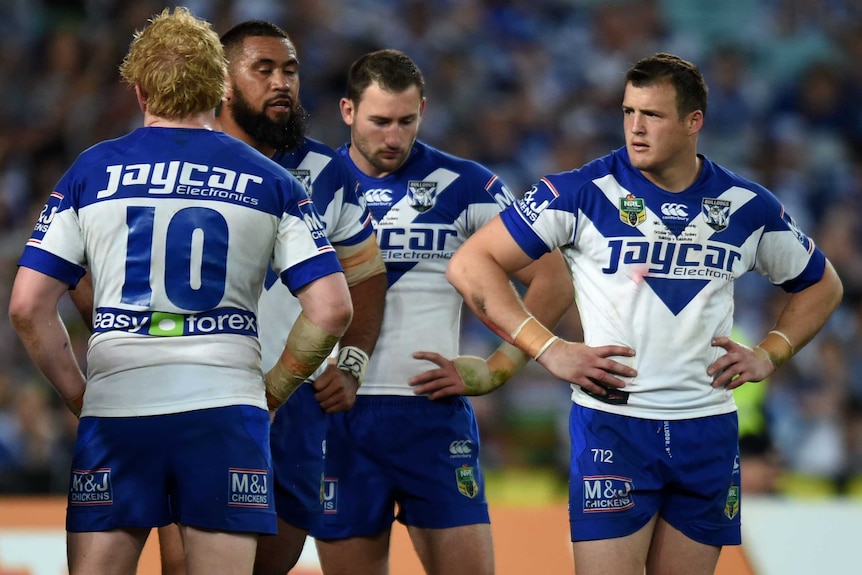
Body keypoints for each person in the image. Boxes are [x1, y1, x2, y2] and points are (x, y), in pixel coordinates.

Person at [444, 52, 844, 575]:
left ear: (693, 121)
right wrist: (549, 349)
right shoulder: (581, 191)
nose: (635, 127)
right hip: (615, 425)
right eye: (628, 112)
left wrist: (772, 352)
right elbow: (472, 263)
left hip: (708, 428)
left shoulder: (747, 206)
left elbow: (823, 284)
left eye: (652, 115)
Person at [7, 8, 353, 575]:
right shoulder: (274, 181)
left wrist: (80, 396)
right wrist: (274, 390)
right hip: (225, 407)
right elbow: (333, 307)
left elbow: (26, 307)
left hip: (118, 405)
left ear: (140, 90)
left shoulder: (90, 172)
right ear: (218, 87)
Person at [310, 49, 572, 575]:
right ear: (347, 111)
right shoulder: (305, 185)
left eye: (406, 121)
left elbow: (554, 278)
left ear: (423, 111)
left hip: (429, 413)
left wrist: (501, 366)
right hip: (334, 416)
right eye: (379, 121)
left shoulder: (466, 185)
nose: (393, 136)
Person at [153, 20, 388, 575]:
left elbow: (368, 275)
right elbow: (90, 270)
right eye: (263, 70)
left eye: (289, 70)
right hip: (198, 389)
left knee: (273, 562)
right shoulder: (179, 159)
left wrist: (352, 362)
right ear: (224, 82)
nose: (281, 82)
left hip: (296, 402)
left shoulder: (326, 171)